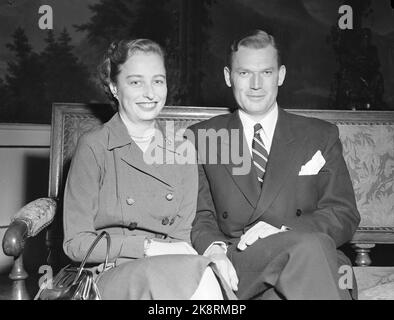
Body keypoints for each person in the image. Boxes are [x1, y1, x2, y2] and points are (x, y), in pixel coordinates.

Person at [188, 30, 361, 300]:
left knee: (308, 252)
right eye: (244, 73)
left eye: (266, 73)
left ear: (280, 75)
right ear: (227, 76)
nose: (256, 84)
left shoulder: (319, 135)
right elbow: (200, 216)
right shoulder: (203, 138)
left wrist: (285, 231)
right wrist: (214, 250)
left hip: (315, 263)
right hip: (242, 264)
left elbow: (343, 213)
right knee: (310, 250)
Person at [62, 38, 235, 300]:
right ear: (114, 87)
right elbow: (75, 244)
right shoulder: (94, 147)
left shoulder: (183, 149)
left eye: (158, 80)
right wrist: (148, 247)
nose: (150, 93)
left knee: (205, 276)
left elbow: (184, 235)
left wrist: (210, 251)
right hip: (108, 272)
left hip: (170, 267)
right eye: (135, 82)